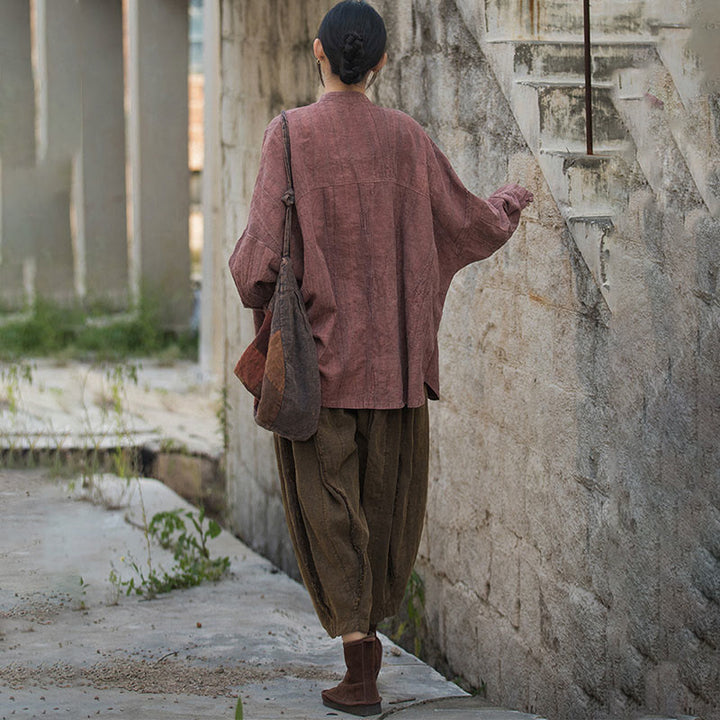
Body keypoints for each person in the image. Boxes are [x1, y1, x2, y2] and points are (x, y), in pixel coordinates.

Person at [228, 1, 533, 715]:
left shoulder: (289, 137)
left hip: (319, 373)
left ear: (318, 53)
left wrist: (265, 307)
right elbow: (468, 222)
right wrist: (510, 202)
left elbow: (256, 262)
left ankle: (359, 665)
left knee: (329, 510)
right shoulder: (408, 139)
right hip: (393, 369)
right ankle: (365, 663)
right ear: (384, 63)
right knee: (385, 512)